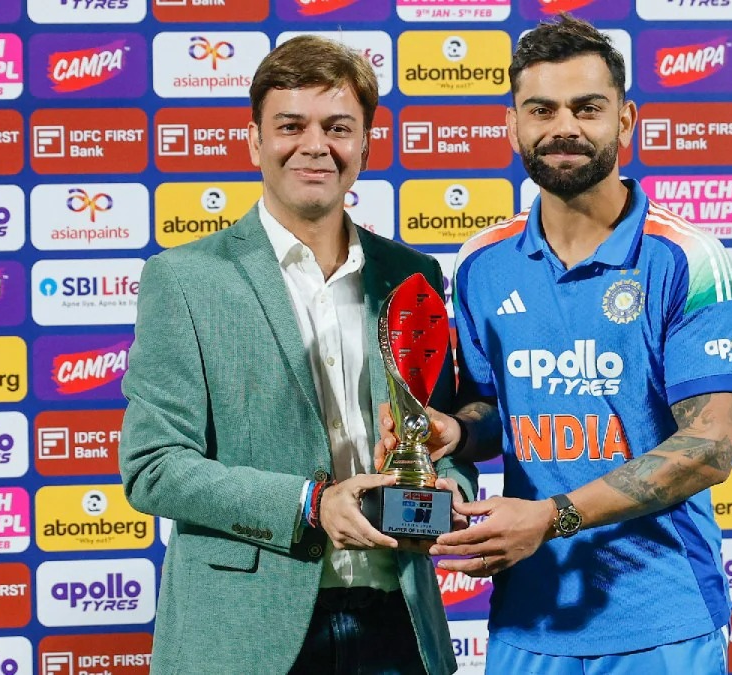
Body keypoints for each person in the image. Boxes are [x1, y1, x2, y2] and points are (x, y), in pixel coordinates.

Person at [377, 15, 732, 674]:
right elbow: (493, 408)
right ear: (513, 125)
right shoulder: (483, 262)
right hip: (530, 614)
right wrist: (452, 432)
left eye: (587, 108)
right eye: (541, 109)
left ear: (625, 121)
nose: (564, 127)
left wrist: (550, 517)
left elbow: (708, 447)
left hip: (661, 619)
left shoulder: (689, 258)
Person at [119, 35, 475, 675]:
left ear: (365, 145)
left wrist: (446, 491)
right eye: (291, 126)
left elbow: (435, 437)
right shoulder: (186, 280)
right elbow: (154, 467)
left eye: (338, 127)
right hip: (244, 635)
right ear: (254, 142)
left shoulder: (412, 274)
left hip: (398, 623)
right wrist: (311, 504)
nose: (315, 145)